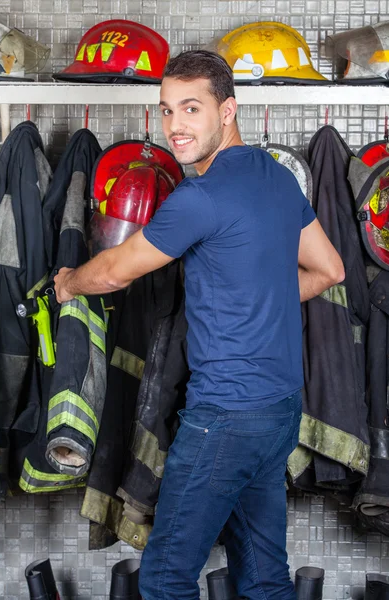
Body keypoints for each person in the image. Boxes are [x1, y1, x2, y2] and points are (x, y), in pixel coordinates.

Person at [54, 50, 344, 600]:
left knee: (165, 580)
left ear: (228, 110)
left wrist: (66, 283)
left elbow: (114, 272)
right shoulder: (277, 179)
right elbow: (329, 270)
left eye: (192, 109)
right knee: (263, 577)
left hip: (225, 419)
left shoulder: (200, 197)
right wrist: (259, 296)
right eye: (166, 111)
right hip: (279, 409)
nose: (176, 127)